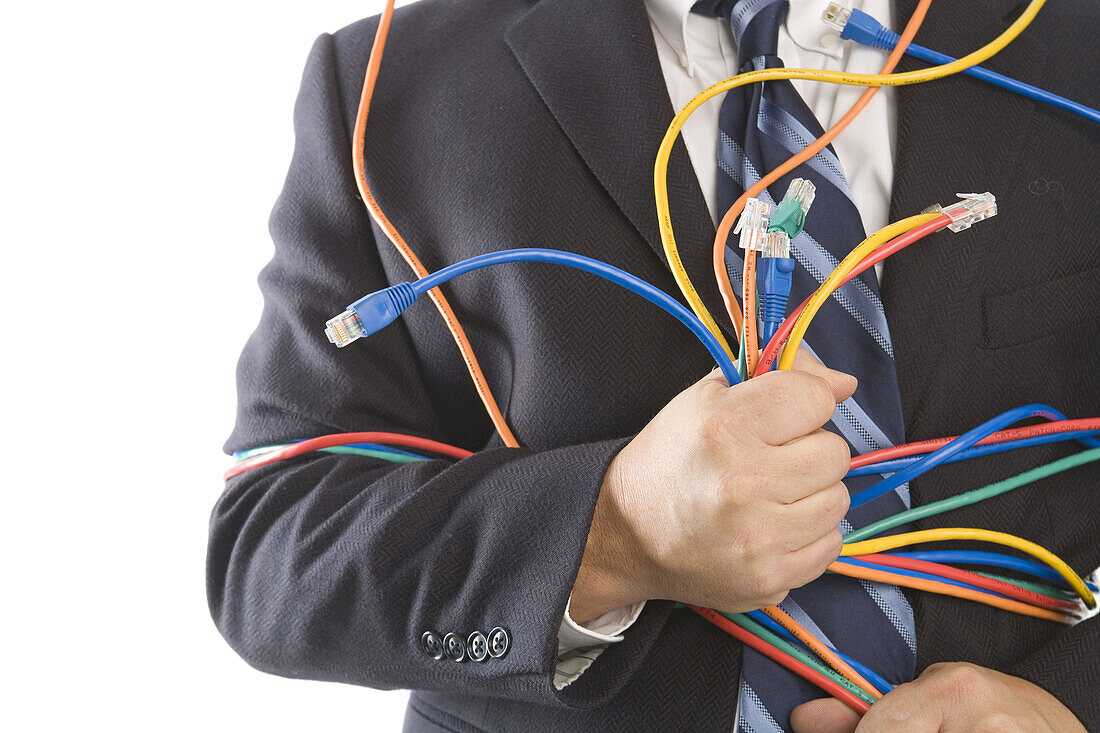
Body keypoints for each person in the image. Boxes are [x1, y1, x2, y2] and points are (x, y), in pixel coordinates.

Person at [207, 0, 1100, 730]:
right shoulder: (388, 84)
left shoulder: (1075, 43)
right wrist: (614, 531)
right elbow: (275, 550)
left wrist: (1071, 701)